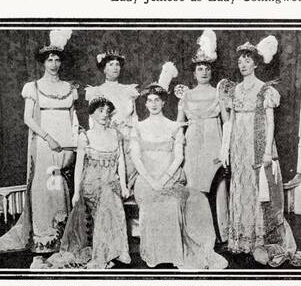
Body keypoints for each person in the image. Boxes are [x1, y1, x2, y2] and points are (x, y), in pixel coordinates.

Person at [221, 37, 301, 267]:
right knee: (240, 189)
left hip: (258, 146)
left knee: (259, 192)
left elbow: (270, 123)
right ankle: (241, 241)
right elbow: (231, 121)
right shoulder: (234, 91)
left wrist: (266, 152)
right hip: (238, 147)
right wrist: (226, 148)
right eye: (240, 61)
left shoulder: (265, 90)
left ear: (256, 64)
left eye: (248, 60)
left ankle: (259, 241)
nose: (243, 64)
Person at [0, 29, 79, 258]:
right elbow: (28, 118)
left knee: (64, 185)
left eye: (57, 59)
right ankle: (44, 236)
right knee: (47, 184)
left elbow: (73, 114)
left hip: (67, 141)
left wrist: (75, 138)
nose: (54, 64)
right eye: (50, 60)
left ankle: (63, 235)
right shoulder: (33, 86)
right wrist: (48, 138)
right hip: (46, 141)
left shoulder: (69, 88)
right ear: (43, 62)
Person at [130, 68, 227, 271]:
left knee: (175, 202)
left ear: (164, 102)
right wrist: (151, 180)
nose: (154, 104)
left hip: (170, 177)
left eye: (158, 100)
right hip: (146, 180)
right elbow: (136, 158)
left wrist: (165, 178)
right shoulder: (138, 127)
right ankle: (154, 254)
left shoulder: (174, 126)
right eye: (150, 100)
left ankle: (174, 254)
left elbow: (179, 157)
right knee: (151, 202)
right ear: (145, 103)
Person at [51, 97, 130, 269]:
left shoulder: (116, 134)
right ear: (92, 114)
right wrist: (76, 193)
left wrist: (123, 185)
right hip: (91, 184)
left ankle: (119, 250)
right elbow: (79, 165)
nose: (104, 114)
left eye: (107, 111)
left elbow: (121, 162)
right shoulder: (85, 136)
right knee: (110, 198)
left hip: (111, 182)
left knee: (112, 197)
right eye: (100, 110)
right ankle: (105, 253)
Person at [175, 29, 229, 246]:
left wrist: (225, 149)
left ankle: (220, 234)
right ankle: (195, 233)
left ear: (211, 72)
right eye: (200, 68)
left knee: (216, 186)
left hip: (214, 143)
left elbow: (228, 123)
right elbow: (179, 125)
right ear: (194, 73)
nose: (204, 72)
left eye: (207, 68)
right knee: (193, 186)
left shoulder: (218, 93)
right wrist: (178, 150)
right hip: (192, 145)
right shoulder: (186, 95)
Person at [84, 47, 139, 181]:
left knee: (130, 172)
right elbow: (93, 121)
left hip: (128, 140)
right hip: (108, 141)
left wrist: (135, 140)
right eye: (111, 64)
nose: (115, 67)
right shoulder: (97, 91)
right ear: (104, 69)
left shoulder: (129, 90)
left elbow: (135, 117)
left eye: (117, 64)